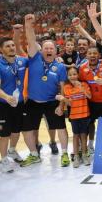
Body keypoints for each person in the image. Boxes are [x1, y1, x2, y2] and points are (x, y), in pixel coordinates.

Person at [21, 14, 70, 167]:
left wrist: (61, 106)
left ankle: (64, 154)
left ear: (56, 51)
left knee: (61, 127)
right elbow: (31, 39)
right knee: (27, 129)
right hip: (33, 102)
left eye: (51, 48)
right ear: (42, 50)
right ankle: (34, 154)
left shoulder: (60, 67)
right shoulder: (35, 58)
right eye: (46, 48)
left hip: (51, 102)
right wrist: (28, 25)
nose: (49, 50)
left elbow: (62, 89)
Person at [0, 37, 28, 172]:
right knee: (5, 134)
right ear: (1, 49)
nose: (11, 47)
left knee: (16, 131)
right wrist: (6, 97)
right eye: (7, 46)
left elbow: (37, 60)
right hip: (4, 104)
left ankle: (12, 150)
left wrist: (57, 59)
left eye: (12, 45)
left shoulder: (21, 60)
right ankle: (3, 159)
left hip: (20, 103)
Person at [79, 46, 102, 153]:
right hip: (91, 102)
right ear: (86, 56)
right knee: (90, 124)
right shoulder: (82, 68)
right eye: (90, 53)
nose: (92, 55)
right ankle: (90, 145)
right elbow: (82, 83)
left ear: (99, 55)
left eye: (95, 53)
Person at [57, 67, 91, 168]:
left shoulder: (84, 84)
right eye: (70, 75)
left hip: (85, 114)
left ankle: (84, 155)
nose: (73, 76)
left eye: (75, 74)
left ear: (78, 75)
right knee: (76, 136)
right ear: (67, 76)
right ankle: (76, 156)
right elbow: (70, 103)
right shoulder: (66, 87)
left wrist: (81, 88)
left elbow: (89, 96)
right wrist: (63, 99)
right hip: (74, 116)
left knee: (84, 135)